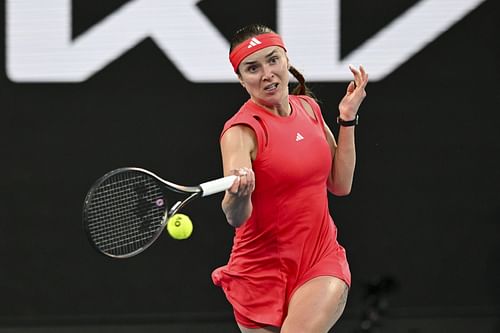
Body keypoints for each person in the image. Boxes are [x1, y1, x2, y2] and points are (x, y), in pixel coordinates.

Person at [212, 24, 369, 333]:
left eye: (273, 60)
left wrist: (347, 118)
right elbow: (235, 216)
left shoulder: (309, 108)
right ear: (242, 80)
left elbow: (340, 184)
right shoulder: (240, 132)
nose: (267, 74)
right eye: (253, 68)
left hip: (319, 260)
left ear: (286, 60)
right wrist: (240, 193)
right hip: (258, 273)